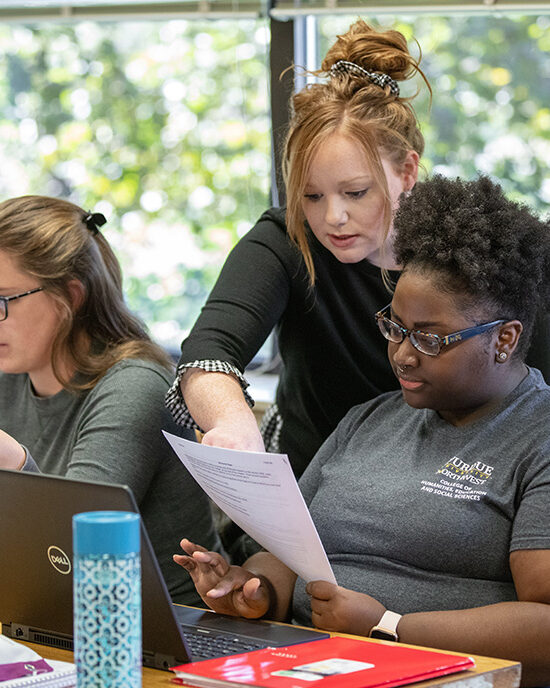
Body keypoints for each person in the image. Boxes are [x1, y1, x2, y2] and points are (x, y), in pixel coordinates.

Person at [174, 176, 550, 687]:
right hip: (305, 661)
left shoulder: (538, 436)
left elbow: (545, 624)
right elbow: (293, 556)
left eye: (430, 338)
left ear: (505, 338)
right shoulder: (368, 419)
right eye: (394, 327)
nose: (402, 353)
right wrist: (256, 588)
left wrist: (388, 626)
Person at [165, 20, 550, 482]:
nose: (332, 219)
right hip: (314, 488)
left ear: (407, 170)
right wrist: (231, 423)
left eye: (356, 192)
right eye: (311, 196)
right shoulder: (288, 242)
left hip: (456, 494)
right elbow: (210, 351)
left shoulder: (478, 257)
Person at [0, 195, 224, 605]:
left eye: (2, 301)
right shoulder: (9, 375)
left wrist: (14, 463)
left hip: (154, 636)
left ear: (70, 296)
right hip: (44, 619)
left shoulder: (136, 386)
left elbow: (66, 557)